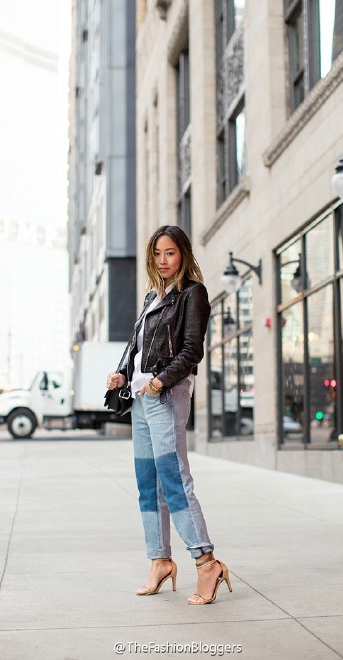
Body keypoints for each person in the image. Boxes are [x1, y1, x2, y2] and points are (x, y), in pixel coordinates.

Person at [106, 225, 232, 605]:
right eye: (157, 253)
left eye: (170, 253)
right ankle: (160, 560)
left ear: (183, 254)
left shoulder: (193, 294)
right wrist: (122, 373)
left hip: (166, 395)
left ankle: (207, 562)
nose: (163, 260)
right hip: (142, 398)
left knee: (175, 479)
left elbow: (192, 350)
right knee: (148, 483)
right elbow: (139, 348)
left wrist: (160, 382)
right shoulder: (151, 297)